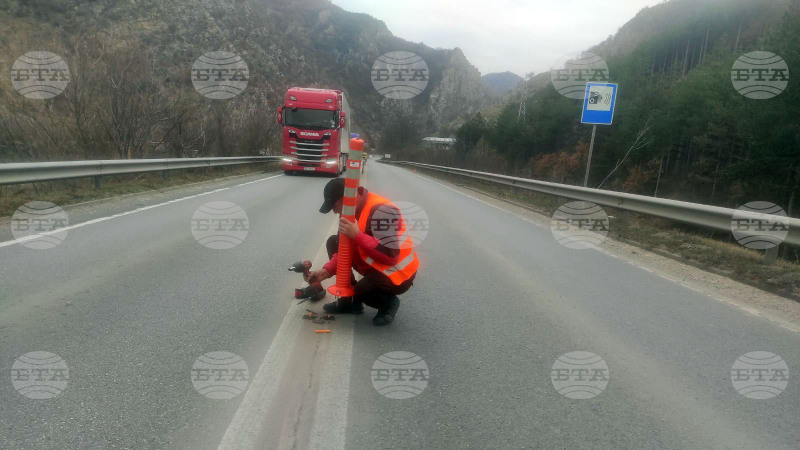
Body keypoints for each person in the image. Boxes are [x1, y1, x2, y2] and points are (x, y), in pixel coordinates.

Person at [307, 178, 418, 326]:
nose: (334, 211)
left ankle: (388, 303)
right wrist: (324, 272)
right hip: (376, 264)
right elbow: (344, 250)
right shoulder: (348, 211)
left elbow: (390, 255)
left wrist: (357, 235)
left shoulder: (382, 211)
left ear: (346, 198)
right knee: (334, 242)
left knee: (362, 290)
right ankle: (348, 302)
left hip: (397, 273)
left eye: (334, 206)